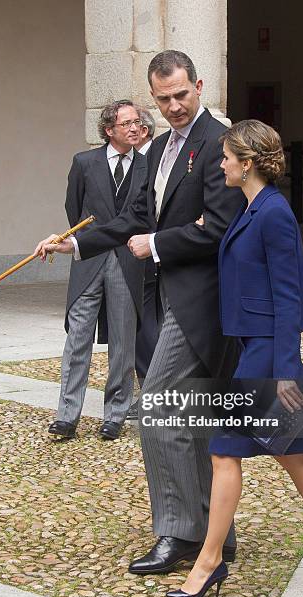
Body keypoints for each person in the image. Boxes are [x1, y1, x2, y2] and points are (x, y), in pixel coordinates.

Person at [37, 50, 244, 573]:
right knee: (190, 413)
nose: (174, 106)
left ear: (199, 86)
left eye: (182, 95)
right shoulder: (155, 151)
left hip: (203, 302)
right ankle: (214, 528)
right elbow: (132, 216)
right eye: (164, 98)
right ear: (153, 96)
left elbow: (217, 228)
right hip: (164, 296)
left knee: (157, 405)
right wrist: (74, 244)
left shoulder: (219, 142)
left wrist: (155, 243)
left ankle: (177, 534)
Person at [166, 119, 303, 597]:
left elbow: (291, 299)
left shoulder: (273, 213)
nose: (222, 164)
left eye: (227, 157)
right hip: (251, 349)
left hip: (267, 358)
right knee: (294, 456)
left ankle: (209, 563)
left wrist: (279, 376)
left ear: (247, 162)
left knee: (224, 451)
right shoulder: (251, 207)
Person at [34, 100, 147, 441]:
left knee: (123, 342)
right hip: (89, 260)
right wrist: (87, 244)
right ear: (109, 129)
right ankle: (66, 416)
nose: (134, 128)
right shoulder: (84, 163)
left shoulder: (148, 164)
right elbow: (75, 208)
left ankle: (115, 415)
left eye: (137, 123)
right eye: (126, 123)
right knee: (77, 338)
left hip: (128, 262)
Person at [126, 107, 160, 420]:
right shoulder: (137, 160)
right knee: (143, 326)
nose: (129, 130)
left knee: (147, 327)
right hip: (136, 253)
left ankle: (153, 393)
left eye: (134, 124)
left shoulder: (152, 159)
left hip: (154, 256)